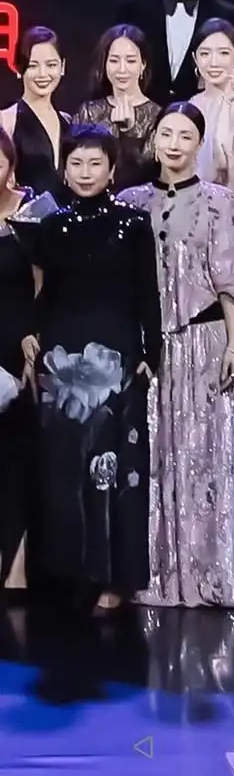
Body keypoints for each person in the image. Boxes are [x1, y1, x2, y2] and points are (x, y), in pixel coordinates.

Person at [18, 125, 162, 614]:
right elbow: (43, 292)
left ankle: (114, 577)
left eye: (95, 163)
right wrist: (33, 335)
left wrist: (152, 352)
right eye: (76, 163)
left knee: (113, 465)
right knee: (64, 465)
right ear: (64, 169)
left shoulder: (133, 223)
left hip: (115, 351)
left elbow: (147, 292)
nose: (85, 172)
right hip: (62, 356)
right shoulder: (51, 226)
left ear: (112, 169)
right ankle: (68, 573)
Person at [119, 102, 234, 607]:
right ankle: (153, 573)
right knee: (153, 458)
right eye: (167, 134)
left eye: (185, 136)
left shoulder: (219, 201)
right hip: (149, 347)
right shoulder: (131, 202)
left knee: (205, 456)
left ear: (200, 143)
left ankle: (208, 574)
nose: (174, 144)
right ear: (155, 141)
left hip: (204, 340)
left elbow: (229, 281)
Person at [0, 130, 37, 590]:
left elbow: (44, 282)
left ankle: (19, 565)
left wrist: (36, 339)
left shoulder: (31, 210)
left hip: (18, 344)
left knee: (18, 458)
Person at [73, 24, 160, 190]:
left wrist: (129, 134)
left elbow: (150, 172)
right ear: (105, 64)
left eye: (131, 61)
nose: (122, 69)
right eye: (114, 60)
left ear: (143, 65)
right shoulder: (89, 112)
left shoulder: (158, 116)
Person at [189, 17, 234, 189]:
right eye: (205, 54)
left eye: (223, 53)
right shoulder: (191, 108)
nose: (213, 62)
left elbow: (223, 160)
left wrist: (228, 107)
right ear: (195, 58)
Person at [0, 26, 70, 202]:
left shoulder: (67, 121)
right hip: (22, 215)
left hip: (66, 215)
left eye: (51, 65)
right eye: (33, 65)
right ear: (18, 69)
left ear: (62, 67)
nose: (42, 74)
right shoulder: (6, 119)